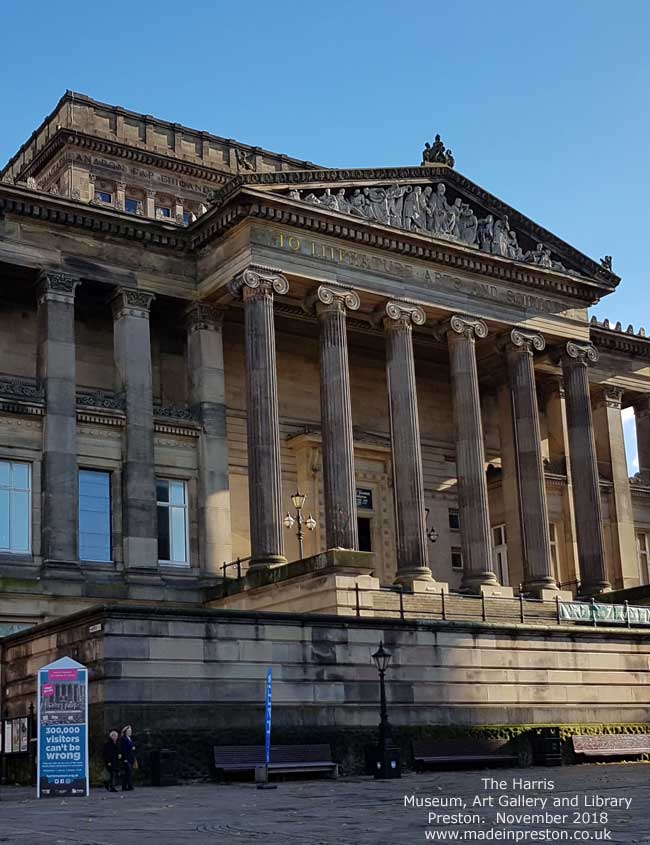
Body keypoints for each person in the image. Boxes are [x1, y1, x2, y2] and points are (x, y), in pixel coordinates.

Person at [119, 725, 136, 791]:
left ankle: (125, 786)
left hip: (130, 757)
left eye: (130, 731)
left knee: (128, 772)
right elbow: (124, 749)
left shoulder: (129, 738)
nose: (130, 732)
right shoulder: (123, 738)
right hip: (126, 758)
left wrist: (133, 747)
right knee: (128, 772)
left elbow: (130, 747)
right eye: (129, 731)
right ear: (125, 732)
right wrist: (125, 759)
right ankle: (129, 786)